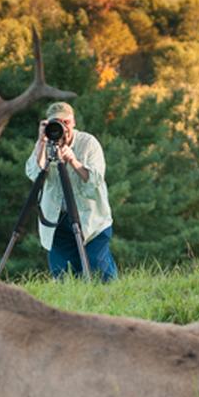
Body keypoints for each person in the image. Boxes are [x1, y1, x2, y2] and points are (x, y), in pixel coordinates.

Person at [25, 102, 117, 282]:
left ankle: (110, 305)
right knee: (63, 277)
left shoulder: (88, 143)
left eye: (66, 122)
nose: (63, 127)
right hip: (57, 221)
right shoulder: (45, 145)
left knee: (99, 271)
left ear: (73, 122)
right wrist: (40, 144)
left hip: (91, 220)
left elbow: (96, 181)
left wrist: (74, 162)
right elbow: (33, 175)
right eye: (57, 122)